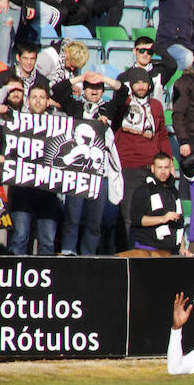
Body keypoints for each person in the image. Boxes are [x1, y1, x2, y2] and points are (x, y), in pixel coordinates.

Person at [51, 70, 126, 256]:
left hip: (100, 174)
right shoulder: (75, 106)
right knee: (72, 218)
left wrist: (104, 79)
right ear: (84, 89)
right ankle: (68, 252)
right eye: (90, 87)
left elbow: (123, 92)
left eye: (98, 87)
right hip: (76, 173)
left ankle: (88, 256)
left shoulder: (108, 108)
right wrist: (81, 78)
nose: (94, 91)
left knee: (94, 222)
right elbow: (57, 90)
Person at [114, 67, 173, 251]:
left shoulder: (155, 105)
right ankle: (126, 254)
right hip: (129, 166)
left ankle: (151, 251)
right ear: (131, 85)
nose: (141, 86)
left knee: (154, 211)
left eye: (144, 82)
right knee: (128, 215)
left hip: (151, 167)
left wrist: (169, 161)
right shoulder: (123, 103)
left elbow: (162, 134)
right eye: (137, 82)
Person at [6, 85, 58, 255]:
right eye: (34, 97)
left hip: (48, 188)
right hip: (22, 186)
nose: (37, 101)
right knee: (20, 237)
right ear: (27, 101)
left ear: (48, 101)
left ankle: (48, 280)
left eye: (41, 97)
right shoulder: (16, 121)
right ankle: (15, 278)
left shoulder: (59, 123)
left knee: (48, 240)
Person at [120, 152, 190, 257]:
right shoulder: (143, 190)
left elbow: (179, 223)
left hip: (171, 253)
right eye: (159, 167)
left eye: (166, 167)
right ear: (153, 168)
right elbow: (137, 219)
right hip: (149, 251)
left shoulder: (174, 191)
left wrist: (182, 248)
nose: (163, 171)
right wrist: (163, 218)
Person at [117, 36, 177, 105]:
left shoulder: (159, 72)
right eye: (142, 51)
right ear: (134, 51)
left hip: (154, 114)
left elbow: (173, 65)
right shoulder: (124, 77)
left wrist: (154, 47)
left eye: (149, 51)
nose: (145, 54)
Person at [0, 42, 49, 106]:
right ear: (18, 57)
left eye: (32, 59)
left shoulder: (43, 81)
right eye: (25, 58)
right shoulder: (4, 76)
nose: (29, 62)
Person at [0, 0, 35, 66]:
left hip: (17, 5)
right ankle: (2, 74)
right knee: (4, 46)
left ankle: (6, 73)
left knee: (10, 46)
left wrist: (30, 3)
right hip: (5, 3)